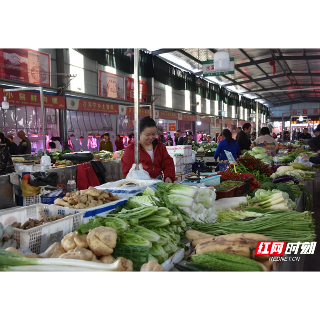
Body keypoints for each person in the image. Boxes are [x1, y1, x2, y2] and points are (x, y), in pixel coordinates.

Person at [121, 116, 175, 183]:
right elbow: (127, 170)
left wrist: (168, 176)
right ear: (140, 133)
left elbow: (168, 162)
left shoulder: (160, 146)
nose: (151, 137)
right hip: (140, 185)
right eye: (147, 135)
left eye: (153, 134)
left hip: (158, 183)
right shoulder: (131, 149)